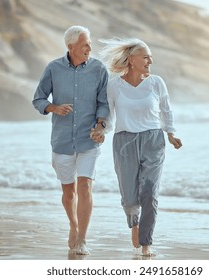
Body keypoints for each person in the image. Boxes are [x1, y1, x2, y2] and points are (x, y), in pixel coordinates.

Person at [99, 38, 182, 256]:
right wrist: (101, 129)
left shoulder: (156, 82)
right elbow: (108, 114)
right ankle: (133, 222)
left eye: (151, 57)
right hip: (124, 141)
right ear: (132, 59)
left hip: (153, 140)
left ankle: (146, 243)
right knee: (129, 196)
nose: (150, 61)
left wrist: (171, 134)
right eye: (145, 56)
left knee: (149, 192)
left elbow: (166, 110)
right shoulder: (114, 85)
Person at [32, 25, 109, 255]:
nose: (89, 48)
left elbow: (104, 103)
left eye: (90, 44)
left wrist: (100, 125)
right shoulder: (53, 68)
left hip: (89, 139)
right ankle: (73, 226)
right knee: (69, 192)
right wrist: (54, 107)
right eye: (85, 44)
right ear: (71, 46)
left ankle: (83, 239)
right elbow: (38, 98)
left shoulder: (98, 69)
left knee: (85, 187)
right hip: (62, 140)